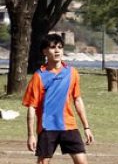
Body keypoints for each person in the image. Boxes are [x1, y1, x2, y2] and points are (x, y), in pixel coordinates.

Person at [23, 34, 94, 164]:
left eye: (60, 47)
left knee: (82, 162)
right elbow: (32, 107)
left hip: (69, 126)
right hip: (47, 127)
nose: (57, 51)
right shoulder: (39, 76)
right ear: (44, 51)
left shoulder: (72, 73)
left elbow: (77, 100)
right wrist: (31, 135)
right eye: (52, 47)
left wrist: (86, 127)